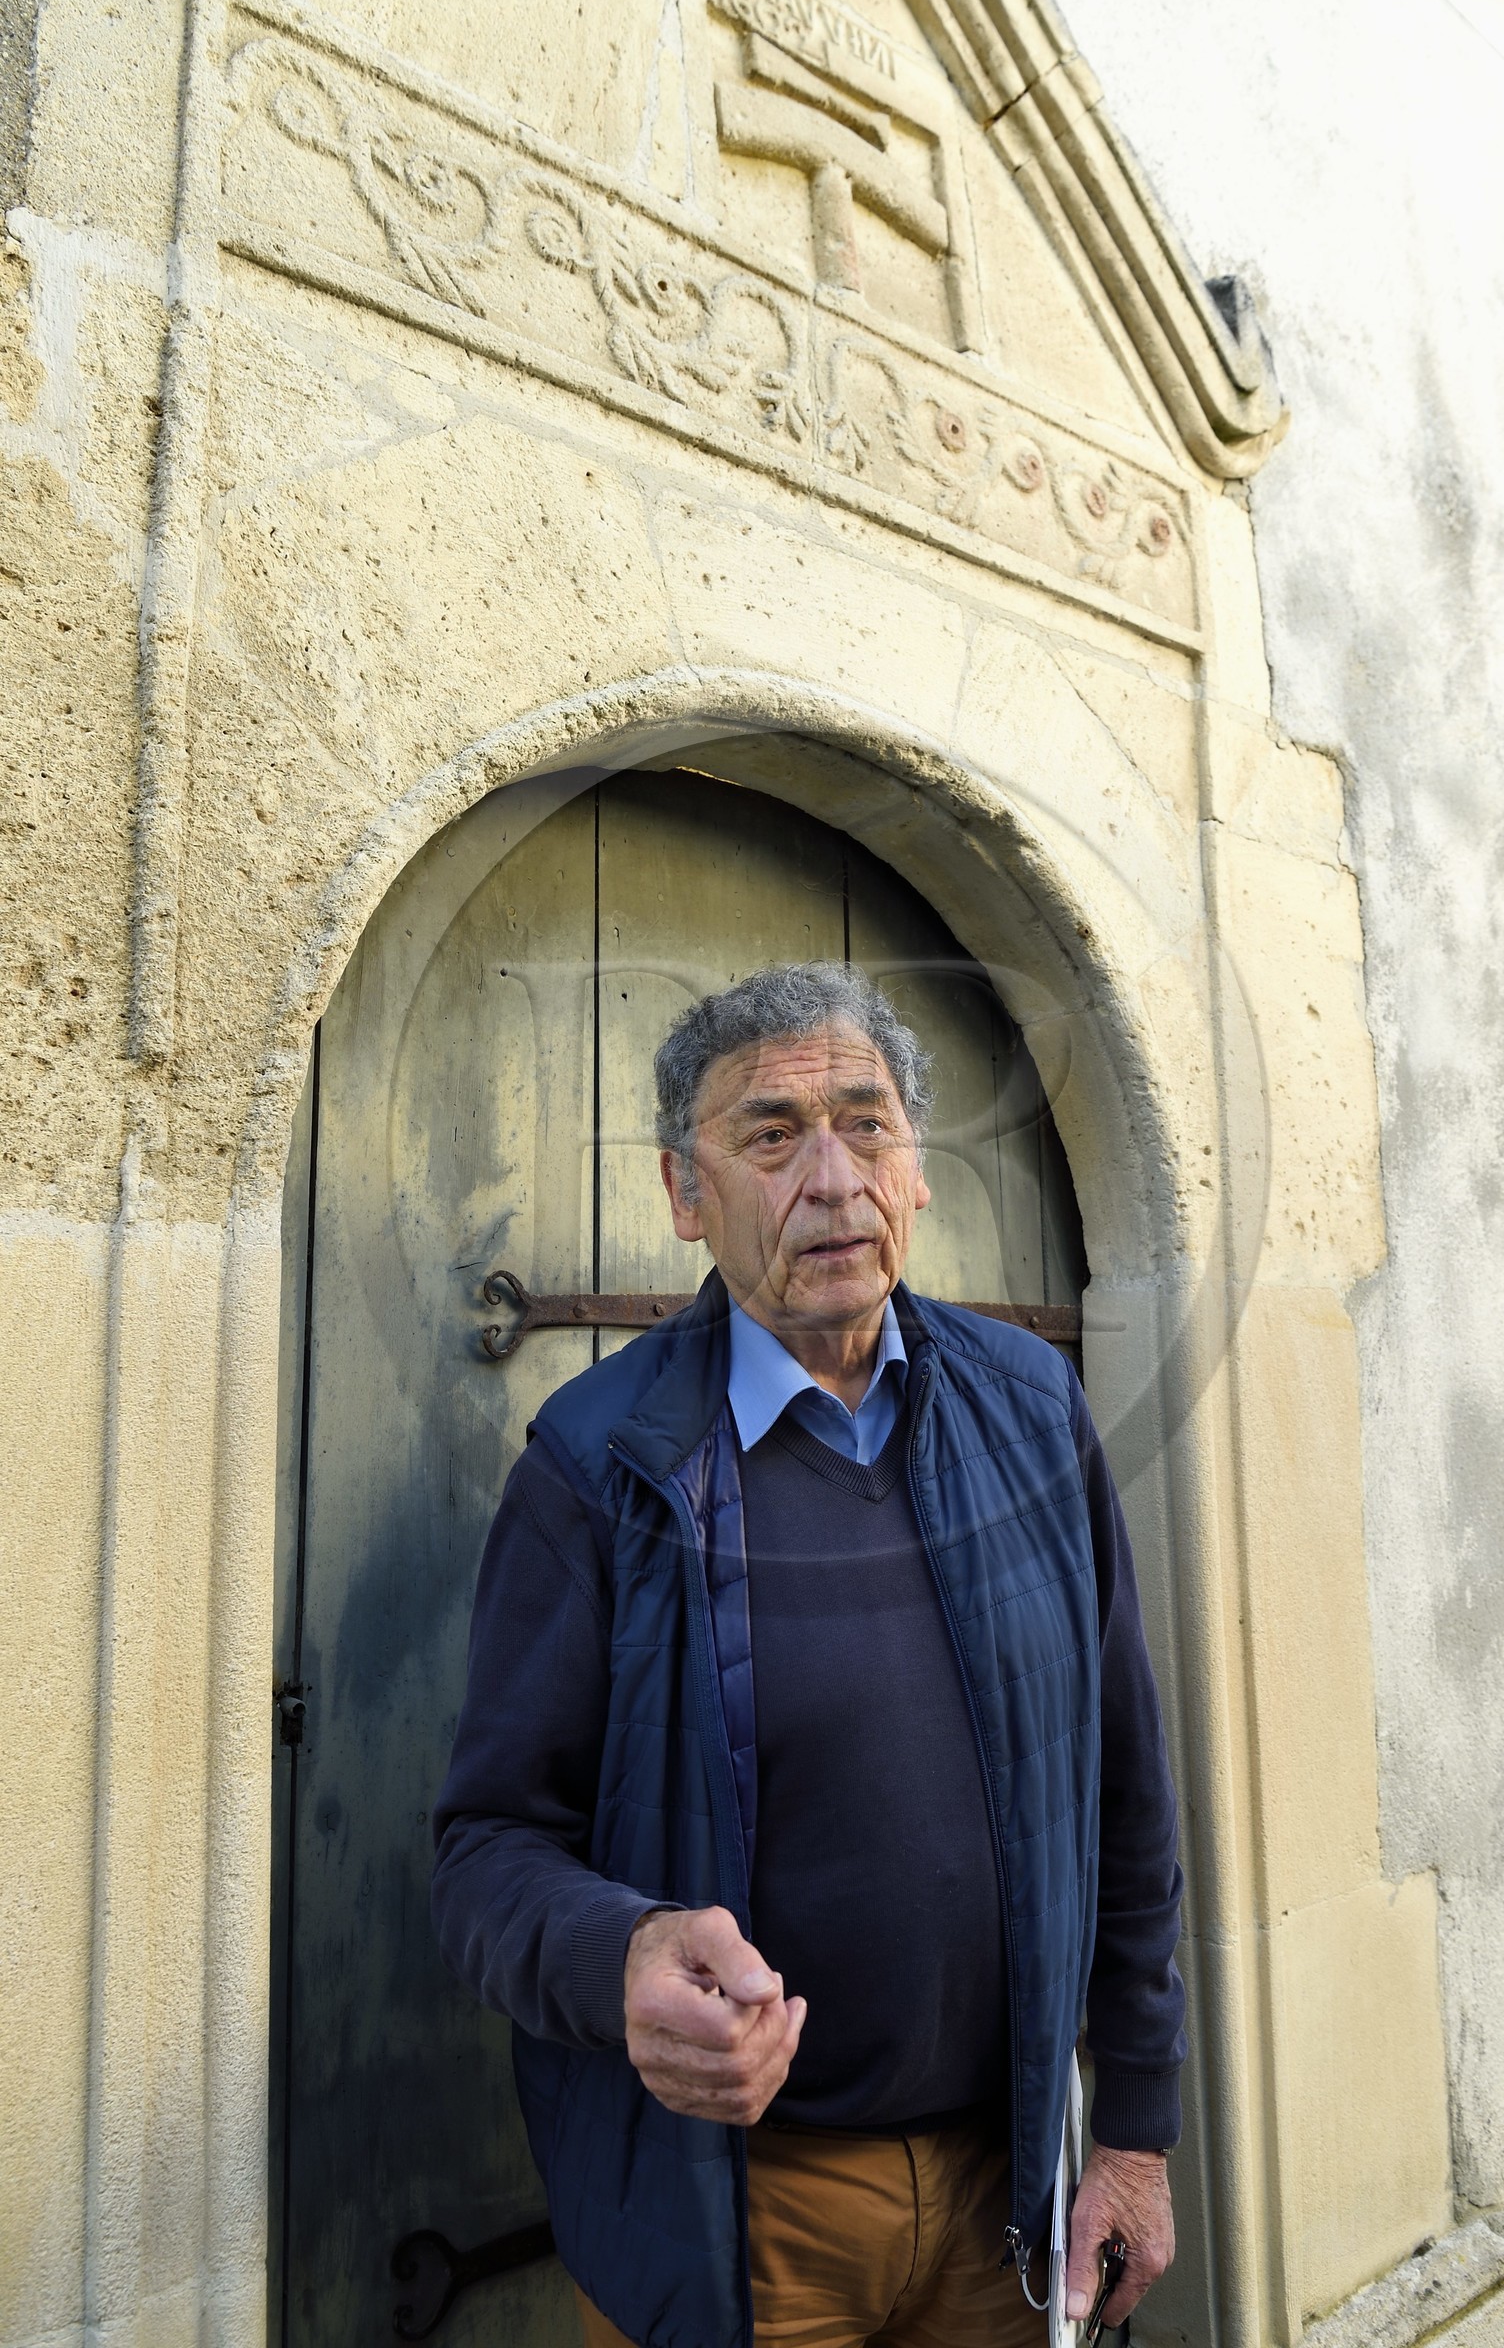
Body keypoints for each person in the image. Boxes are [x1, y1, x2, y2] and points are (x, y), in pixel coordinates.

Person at [433, 962, 1186, 2348]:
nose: (831, 1179)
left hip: (1004, 2194)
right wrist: (627, 1952)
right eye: (772, 1136)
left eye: (867, 1123)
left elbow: (1125, 1794)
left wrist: (1133, 2132)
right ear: (684, 1194)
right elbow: (485, 1852)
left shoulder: (1034, 1412)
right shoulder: (597, 1468)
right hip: (745, 2222)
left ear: (918, 1170)